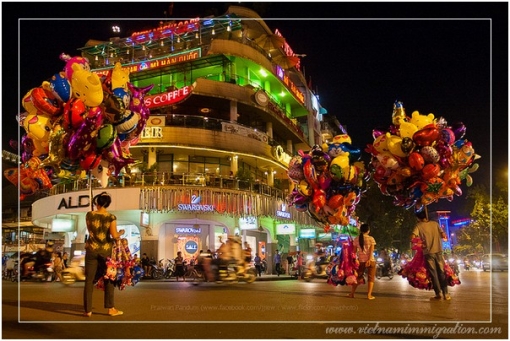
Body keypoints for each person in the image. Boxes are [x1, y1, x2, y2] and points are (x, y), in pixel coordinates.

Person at [83, 192, 125, 317]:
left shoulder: (89, 215)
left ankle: (87, 310)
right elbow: (114, 235)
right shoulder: (111, 217)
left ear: (97, 203)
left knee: (89, 281)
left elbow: (90, 230)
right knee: (109, 278)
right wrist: (121, 232)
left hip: (91, 249)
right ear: (107, 204)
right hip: (106, 251)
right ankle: (110, 308)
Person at [412, 207, 450, 301]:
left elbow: (412, 237)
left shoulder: (419, 226)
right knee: (441, 272)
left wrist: (420, 242)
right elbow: (443, 235)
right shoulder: (435, 224)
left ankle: (438, 294)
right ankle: (446, 294)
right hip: (438, 251)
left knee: (433, 274)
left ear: (418, 218)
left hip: (428, 252)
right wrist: (443, 237)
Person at [349, 223, 376, 300]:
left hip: (360, 261)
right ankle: (369, 295)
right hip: (371, 261)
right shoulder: (371, 239)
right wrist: (369, 260)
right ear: (368, 230)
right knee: (371, 278)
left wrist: (356, 259)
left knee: (357, 277)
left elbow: (354, 252)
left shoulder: (356, 239)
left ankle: (352, 293)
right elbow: (371, 251)